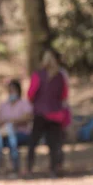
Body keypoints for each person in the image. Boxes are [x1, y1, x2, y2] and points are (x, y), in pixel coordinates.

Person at [26, 48, 70, 177]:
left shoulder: (38, 75)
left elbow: (31, 93)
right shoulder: (61, 76)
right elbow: (64, 95)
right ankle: (54, 169)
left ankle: (29, 168)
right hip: (56, 114)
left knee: (33, 142)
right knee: (54, 144)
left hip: (40, 113)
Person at [0, 80, 33, 177]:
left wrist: (13, 121)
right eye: (9, 90)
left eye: (13, 90)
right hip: (3, 133)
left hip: (21, 133)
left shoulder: (24, 103)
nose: (11, 92)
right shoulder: (3, 105)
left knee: (11, 140)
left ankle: (15, 167)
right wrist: (3, 122)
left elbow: (28, 117)